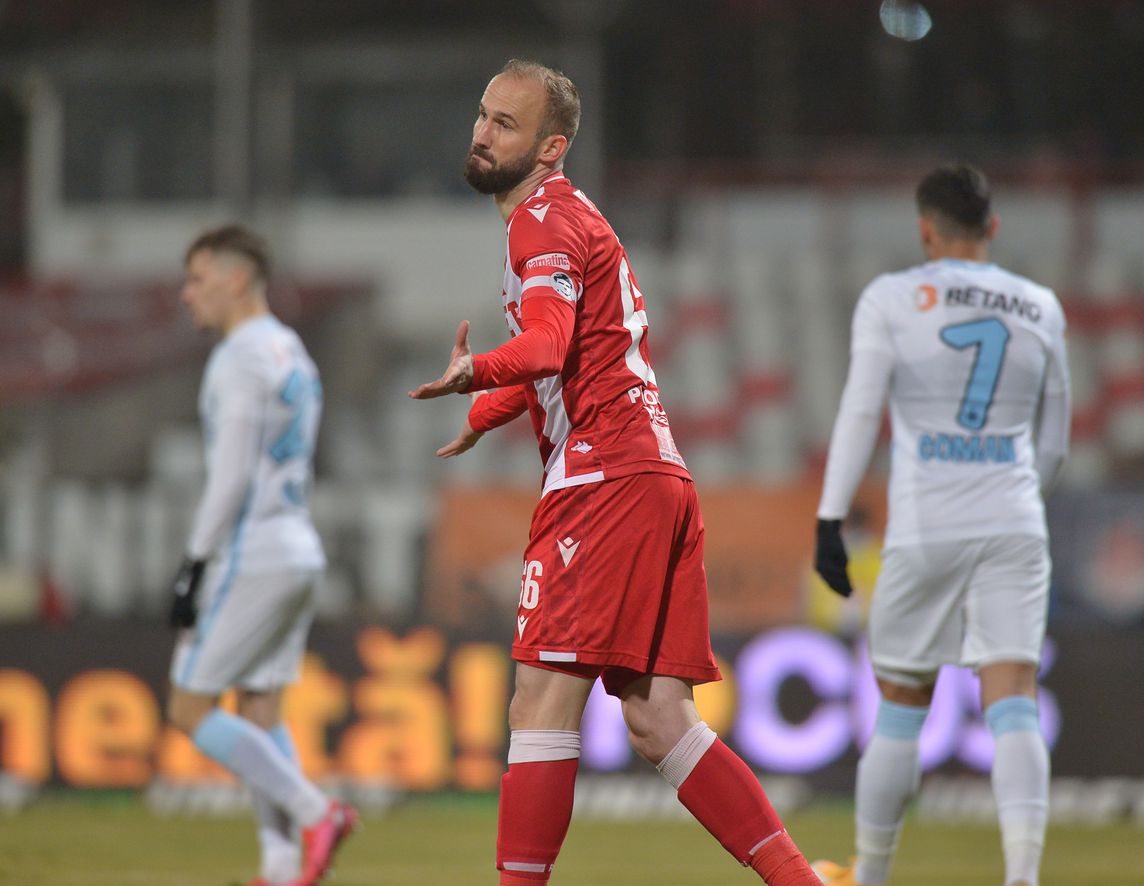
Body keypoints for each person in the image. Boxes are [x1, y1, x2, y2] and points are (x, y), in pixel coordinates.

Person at [409, 59, 824, 886]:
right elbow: (576, 354)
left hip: (602, 480)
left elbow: (548, 346)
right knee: (660, 720)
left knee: (539, 705)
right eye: (484, 116)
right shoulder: (569, 217)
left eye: (506, 125)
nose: (483, 133)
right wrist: (488, 415)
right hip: (655, 474)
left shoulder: (541, 221)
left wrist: (476, 374)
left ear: (552, 147)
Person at [810, 164, 1071, 886]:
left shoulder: (893, 299)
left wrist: (831, 518)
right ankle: (1022, 877)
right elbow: (1054, 442)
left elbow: (863, 409)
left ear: (926, 230)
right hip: (1014, 518)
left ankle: (872, 877)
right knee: (1013, 696)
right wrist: (1018, 500)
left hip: (926, 525)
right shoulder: (1040, 306)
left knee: (899, 704)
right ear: (992, 227)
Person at [166, 224, 356, 886]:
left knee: (187, 709)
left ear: (235, 278)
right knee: (260, 709)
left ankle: (315, 810)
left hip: (254, 549)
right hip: (299, 545)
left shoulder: (239, 356)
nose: (187, 294)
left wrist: (193, 561)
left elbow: (232, 474)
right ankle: (280, 868)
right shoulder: (292, 351)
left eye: (197, 278)